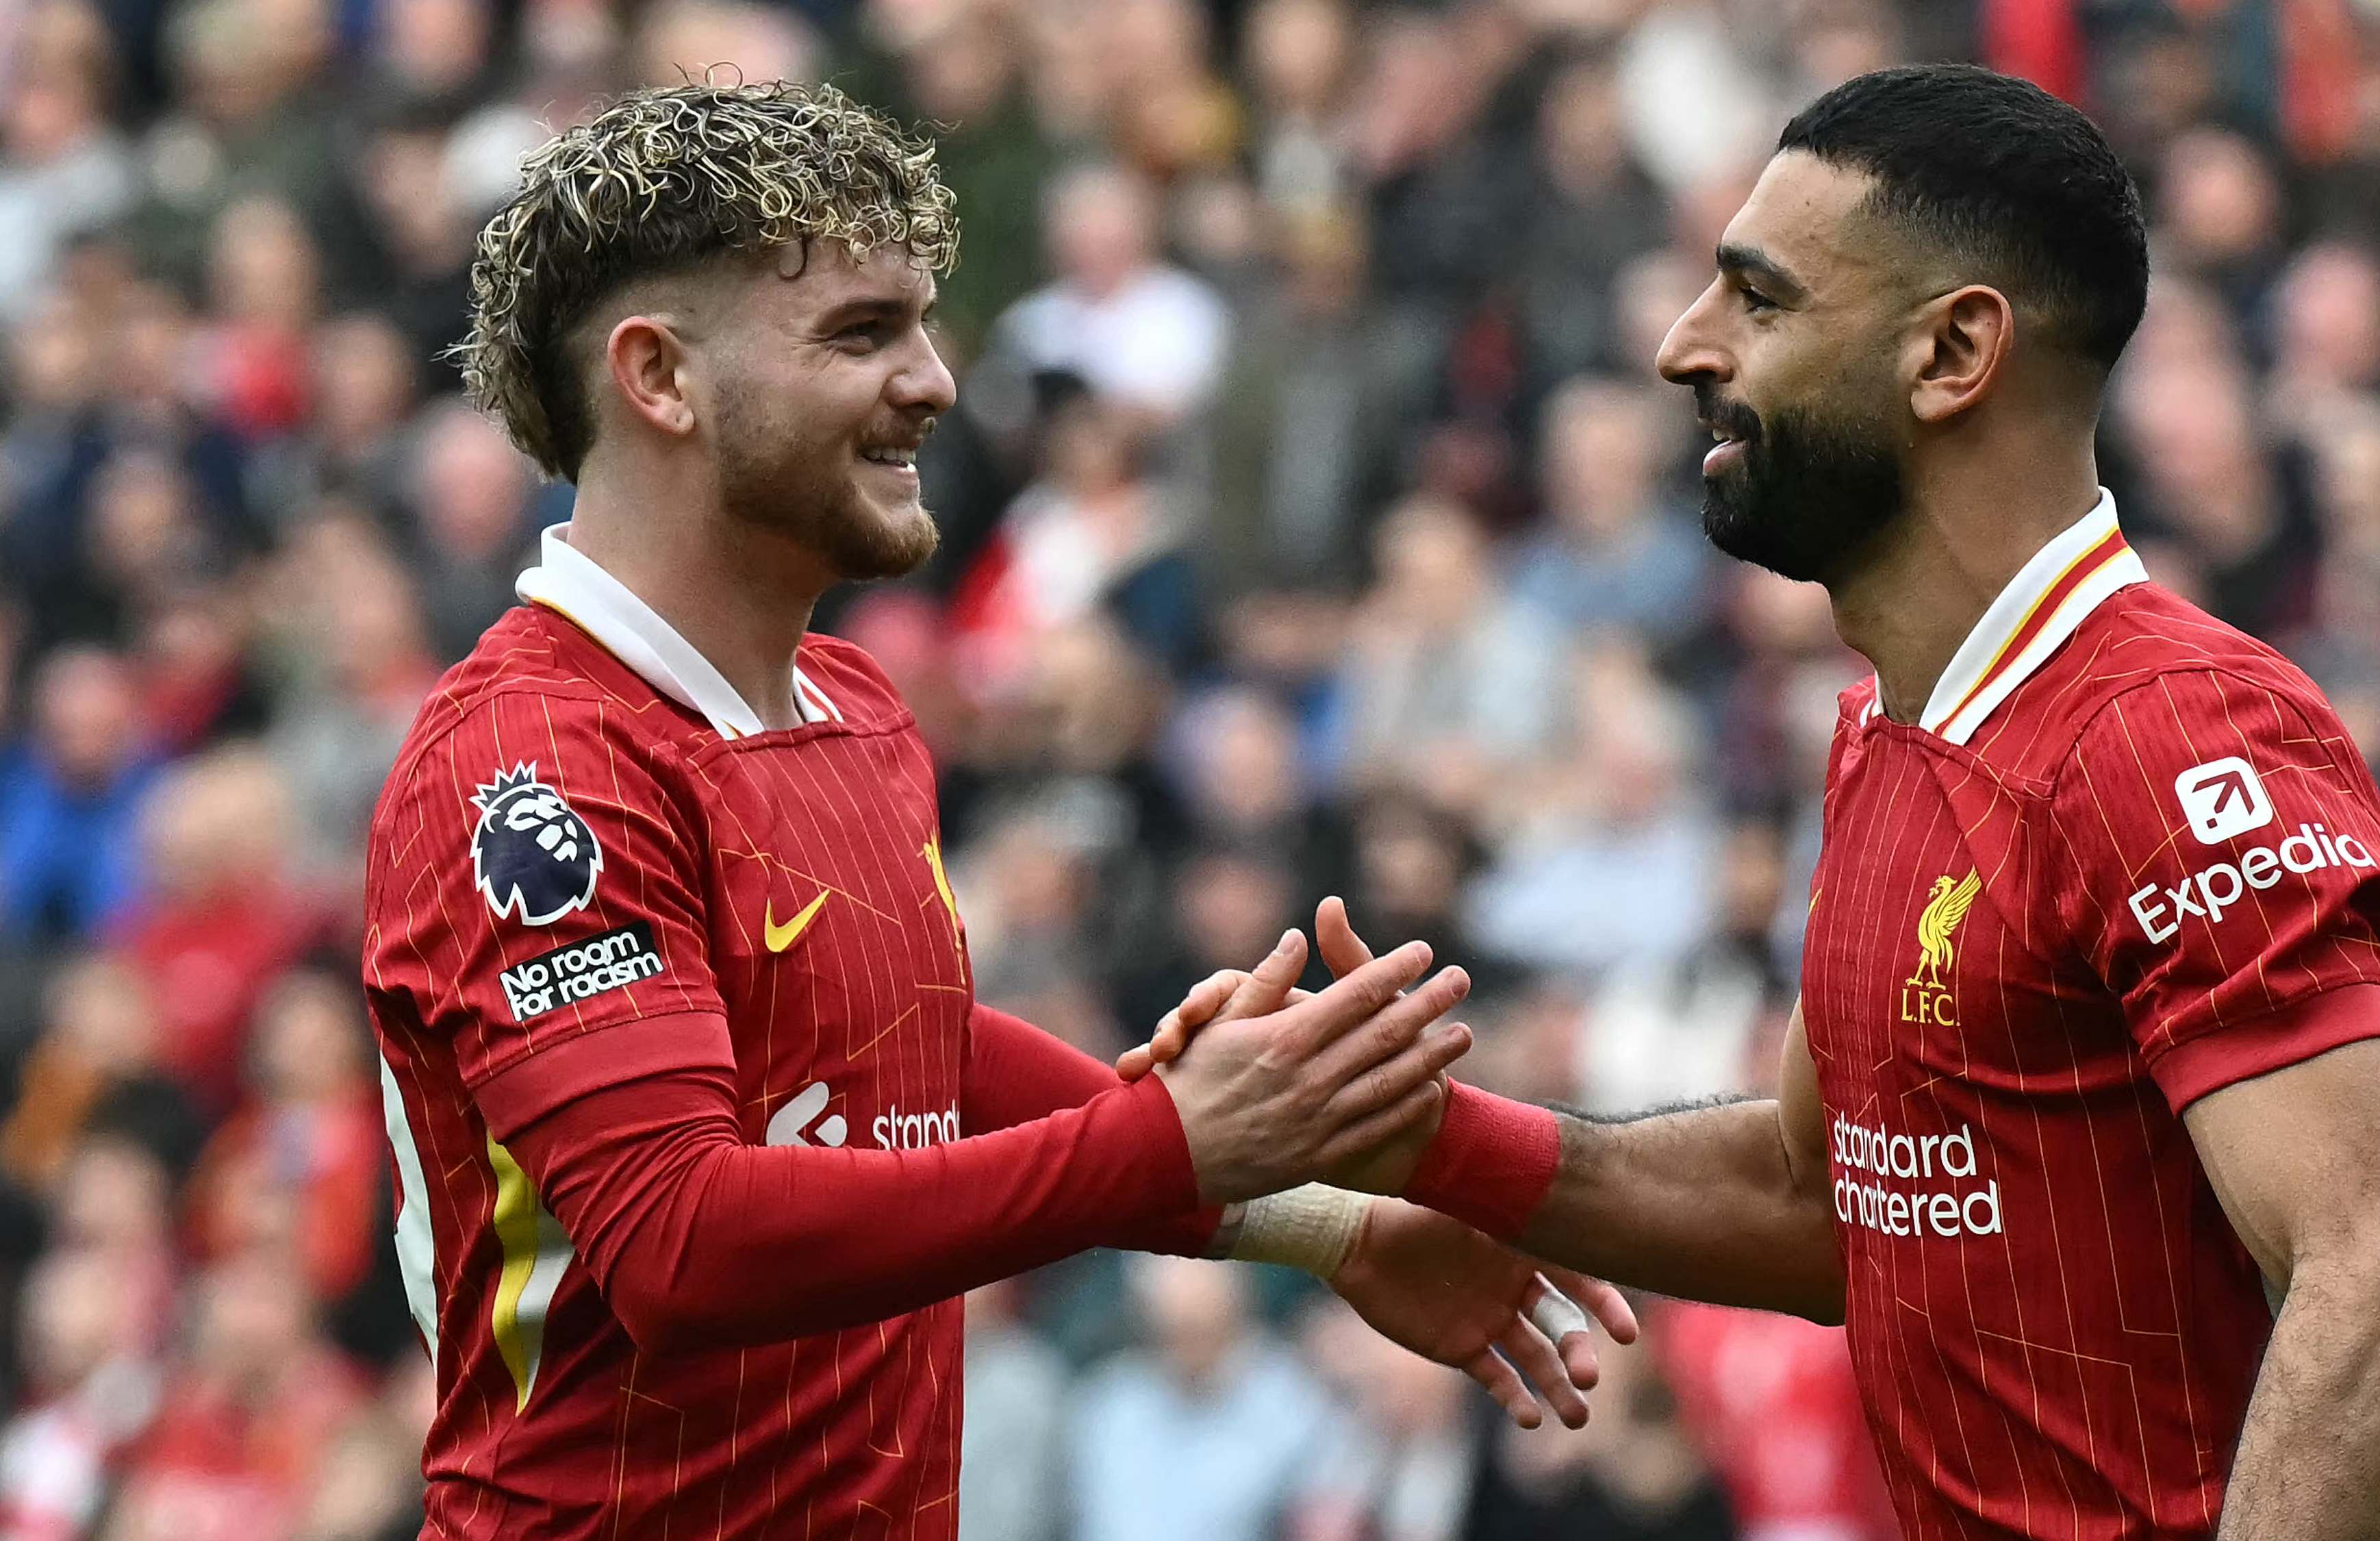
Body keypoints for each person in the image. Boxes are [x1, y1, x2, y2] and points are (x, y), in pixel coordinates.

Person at [1137, 66, 2380, 1540]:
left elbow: (2374, 1291)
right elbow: (1819, 1198)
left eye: (1757, 300)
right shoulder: (1886, 735)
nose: (1678, 347)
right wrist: (1414, 1139)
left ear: (1952, 352)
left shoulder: (2172, 736)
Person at [359, 79, 1634, 1540]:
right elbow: (678, 1245)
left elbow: (912, 1051)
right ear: (660, 378)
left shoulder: (853, 707)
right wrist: (1169, 1143)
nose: (935, 380)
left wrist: (1320, 1221)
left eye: (920, 323)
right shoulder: (531, 766)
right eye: (860, 333)